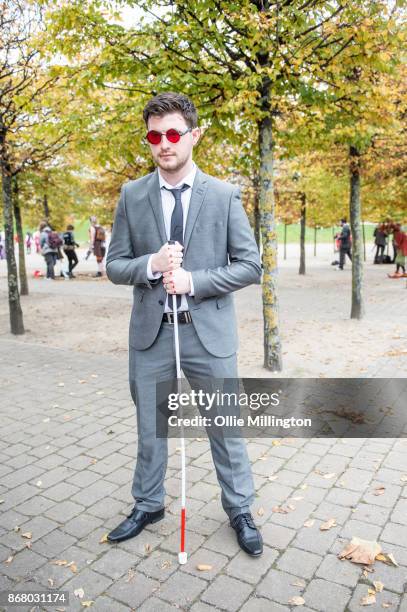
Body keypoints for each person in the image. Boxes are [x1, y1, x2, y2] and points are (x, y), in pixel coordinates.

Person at [106, 92, 263, 556]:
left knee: (224, 425)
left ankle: (239, 508)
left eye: (173, 133)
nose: (164, 144)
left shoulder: (224, 194)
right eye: (155, 136)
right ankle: (149, 503)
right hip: (151, 334)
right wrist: (151, 265)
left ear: (193, 135)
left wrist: (194, 279)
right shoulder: (132, 195)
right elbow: (115, 265)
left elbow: (250, 266)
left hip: (207, 333)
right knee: (151, 426)